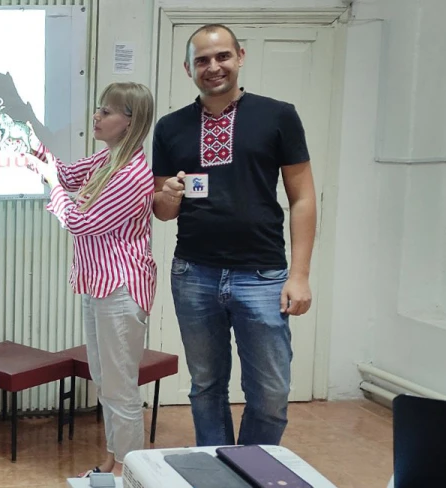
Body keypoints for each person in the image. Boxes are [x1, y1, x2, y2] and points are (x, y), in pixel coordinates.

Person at [151, 24, 317, 447]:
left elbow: (302, 198)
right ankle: (216, 465)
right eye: (202, 60)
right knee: (206, 386)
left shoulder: (278, 115)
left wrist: (299, 275)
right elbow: (163, 211)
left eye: (222, 56)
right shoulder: (170, 127)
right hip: (194, 274)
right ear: (188, 68)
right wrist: (167, 196)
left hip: (262, 276)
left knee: (271, 393)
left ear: (240, 57)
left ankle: (252, 466)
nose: (213, 67)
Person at [29, 82, 156, 478]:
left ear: (130, 121)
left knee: (120, 386)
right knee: (105, 381)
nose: (96, 116)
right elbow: (67, 175)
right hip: (99, 284)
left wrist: (51, 185)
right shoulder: (108, 158)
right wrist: (31, 144)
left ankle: (128, 471)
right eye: (99, 108)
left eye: (107, 111)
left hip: (121, 287)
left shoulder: (131, 174)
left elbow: (79, 222)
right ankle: (113, 460)